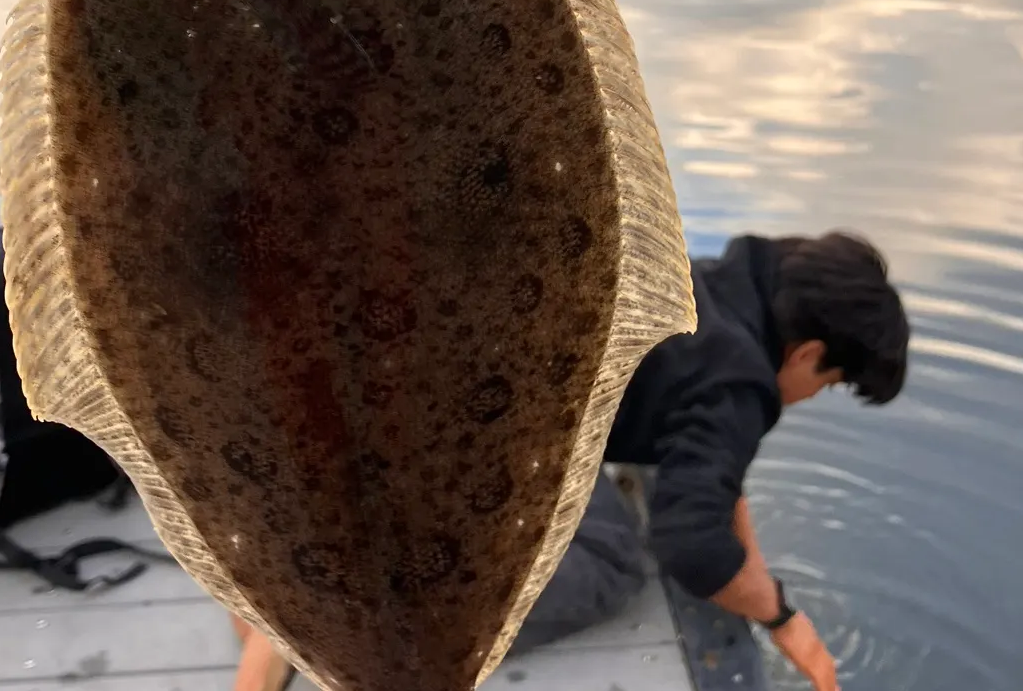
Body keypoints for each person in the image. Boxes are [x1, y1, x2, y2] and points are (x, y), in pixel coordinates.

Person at [232, 231, 909, 691]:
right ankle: (361, 632)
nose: (813, 395)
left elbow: (718, 479)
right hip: (465, 432)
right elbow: (693, 547)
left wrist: (755, 577)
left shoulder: (713, 281)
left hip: (408, 376)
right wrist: (784, 619)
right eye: (829, 383)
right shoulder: (739, 384)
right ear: (808, 354)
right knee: (614, 561)